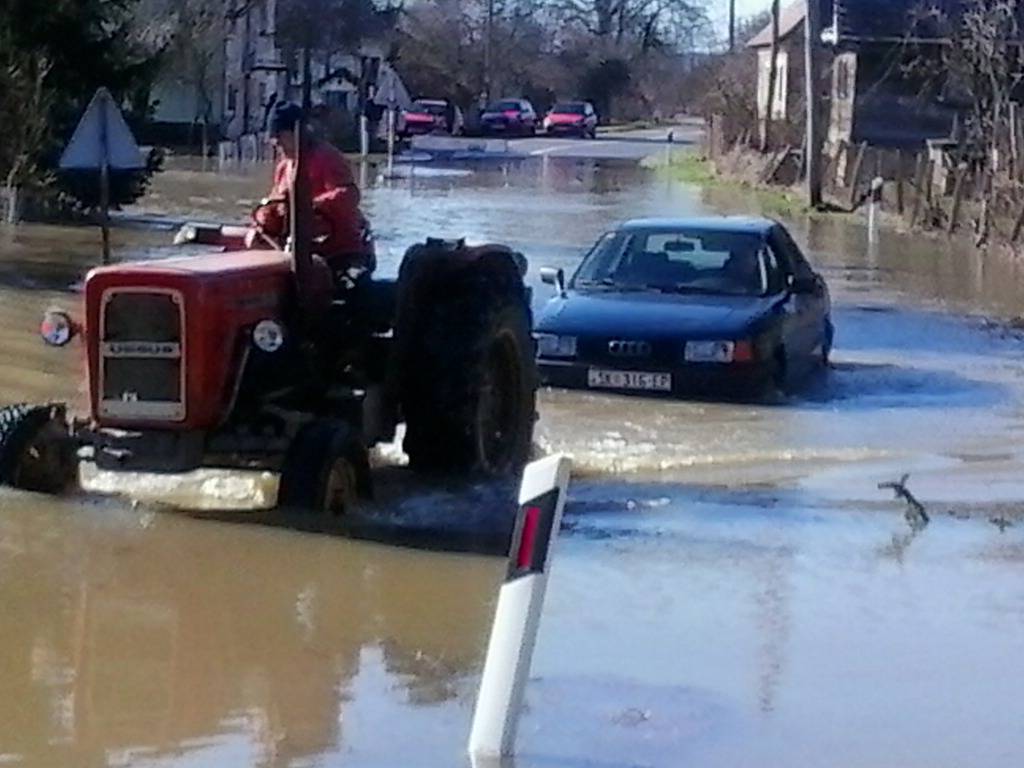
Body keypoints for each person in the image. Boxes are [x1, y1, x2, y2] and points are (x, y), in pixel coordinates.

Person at [248, 102, 374, 278]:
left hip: (338, 250)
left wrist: (306, 206)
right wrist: (264, 218)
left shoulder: (327, 158)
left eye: (280, 138)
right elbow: (276, 200)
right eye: (274, 141)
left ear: (298, 133)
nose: (277, 145)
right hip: (298, 248)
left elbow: (348, 196)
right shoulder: (284, 167)